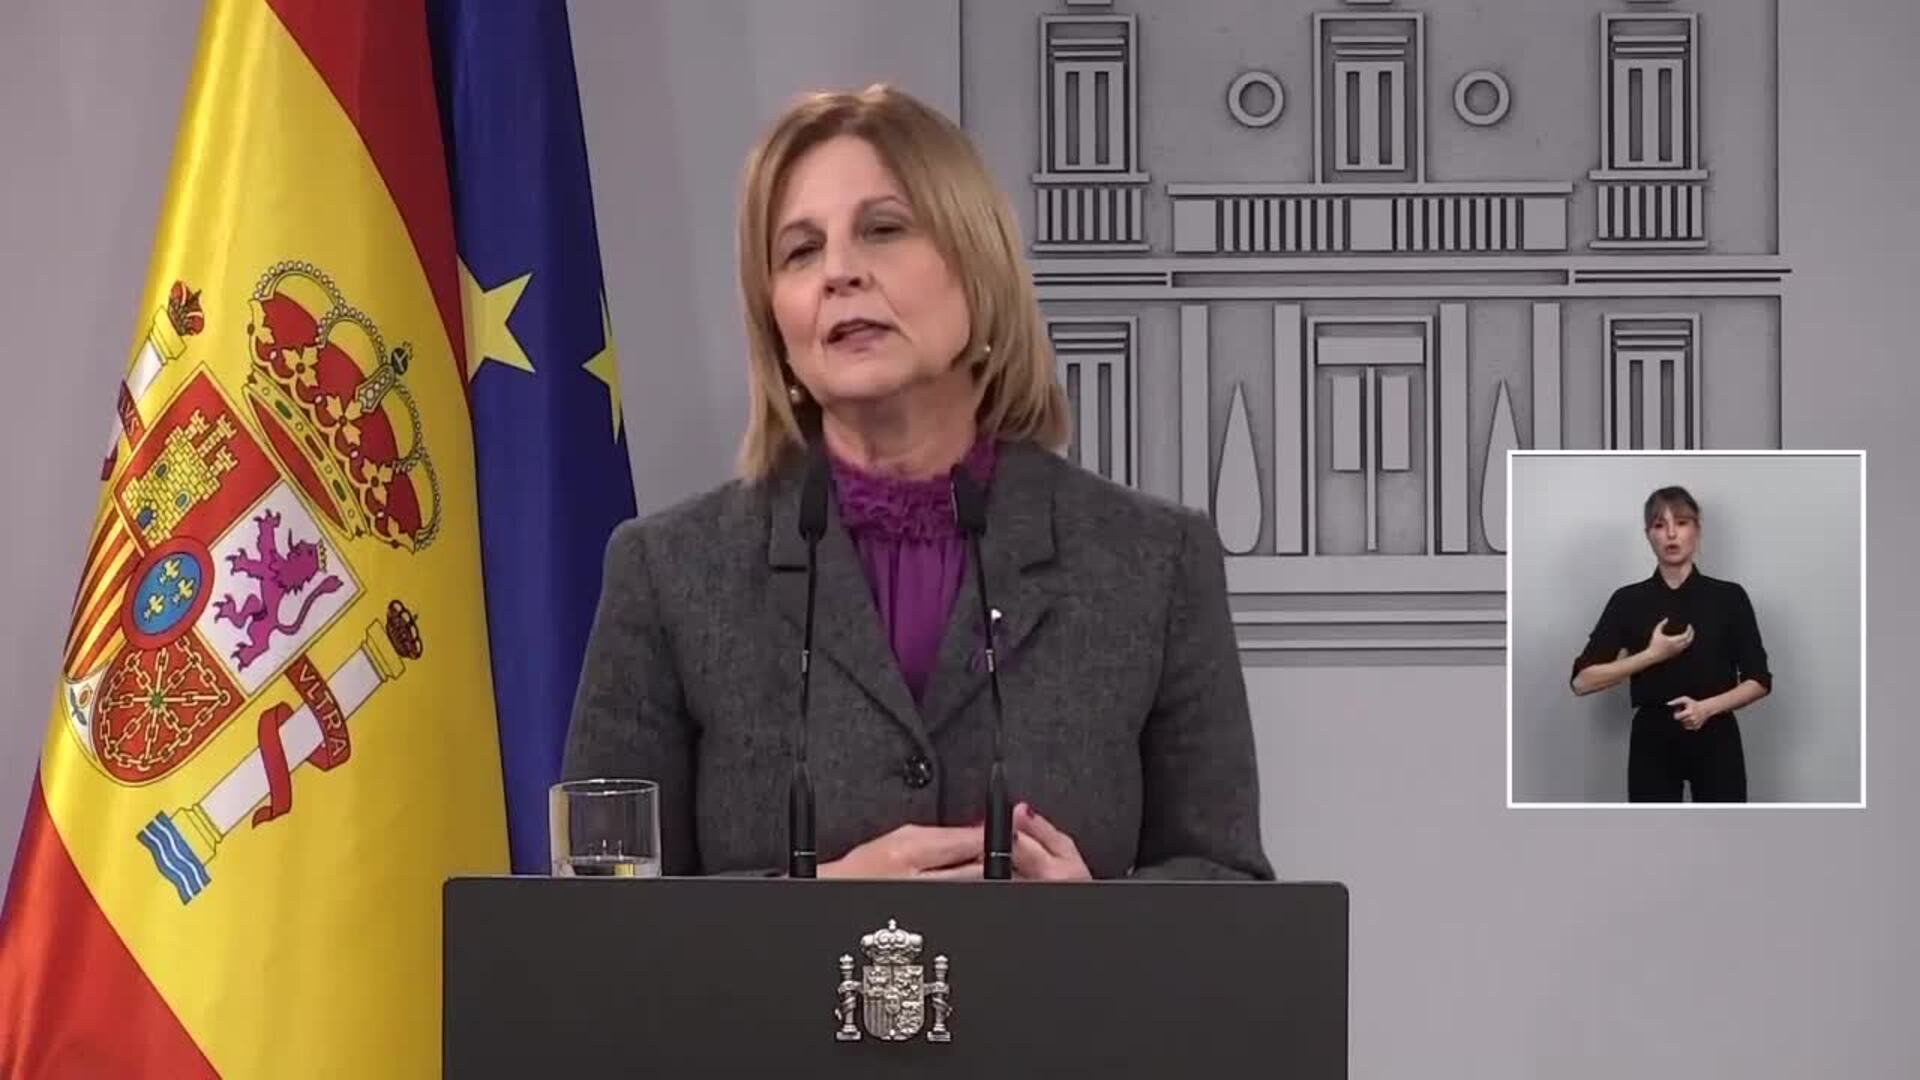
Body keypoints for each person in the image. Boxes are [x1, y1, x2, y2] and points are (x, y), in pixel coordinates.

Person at [562, 85, 1272, 880]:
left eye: (884, 229)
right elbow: (595, 917)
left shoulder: (1154, 562)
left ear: (978, 267)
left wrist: (1094, 925)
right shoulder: (669, 573)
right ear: (775, 320)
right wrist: (812, 910)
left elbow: (1229, 891)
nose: (839, 273)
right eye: (799, 251)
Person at [1568, 486, 1773, 802]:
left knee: (1725, 829)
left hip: (1717, 734)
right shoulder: (1628, 600)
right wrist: (1652, 655)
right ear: (1648, 535)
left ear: (1697, 530)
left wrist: (1705, 709)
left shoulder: (1729, 597)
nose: (1671, 534)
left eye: (1681, 522)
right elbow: (1581, 682)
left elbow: (1759, 680)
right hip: (1652, 740)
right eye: (1659, 525)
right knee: (1653, 831)